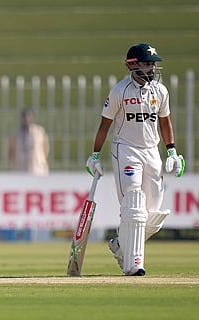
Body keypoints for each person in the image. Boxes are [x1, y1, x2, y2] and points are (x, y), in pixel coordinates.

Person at [86, 43, 185, 276]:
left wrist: (171, 150)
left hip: (152, 151)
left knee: (153, 213)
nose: (152, 68)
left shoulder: (160, 91)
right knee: (133, 201)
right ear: (133, 64)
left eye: (153, 64)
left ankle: (122, 244)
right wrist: (95, 154)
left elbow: (165, 122)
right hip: (126, 149)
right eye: (147, 63)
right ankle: (134, 265)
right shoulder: (120, 91)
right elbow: (105, 125)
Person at [7, 108, 49, 175]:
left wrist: (40, 161)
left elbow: (45, 149)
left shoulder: (39, 132)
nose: (26, 119)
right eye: (24, 116)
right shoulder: (15, 135)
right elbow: (10, 152)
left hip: (37, 170)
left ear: (33, 118)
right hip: (20, 170)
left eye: (29, 116)